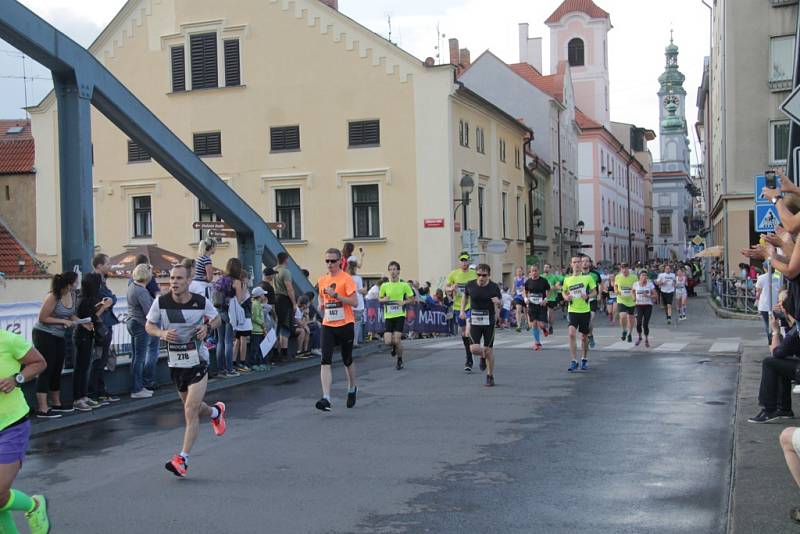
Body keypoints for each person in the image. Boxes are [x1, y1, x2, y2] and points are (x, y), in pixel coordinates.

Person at [145, 264, 226, 478]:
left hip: (198, 361)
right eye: (172, 278)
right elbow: (149, 326)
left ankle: (182, 459)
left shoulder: (200, 302)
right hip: (176, 363)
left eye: (179, 278)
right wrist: (161, 333)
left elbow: (217, 319)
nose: (174, 282)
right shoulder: (161, 302)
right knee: (195, 409)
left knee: (190, 410)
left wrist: (207, 327)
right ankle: (216, 413)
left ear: (189, 281)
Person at [0, 331, 49, 534]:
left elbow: (39, 362)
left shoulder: (7, 340)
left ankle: (34, 506)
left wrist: (16, 378)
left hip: (11, 425)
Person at [315, 248, 359, 412]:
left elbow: (354, 302)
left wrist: (336, 296)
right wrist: (321, 303)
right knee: (325, 360)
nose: (330, 264)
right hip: (328, 324)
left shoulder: (346, 279)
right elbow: (321, 295)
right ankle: (326, 397)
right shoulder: (322, 280)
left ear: (340, 261)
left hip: (346, 323)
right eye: (327, 261)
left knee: (347, 359)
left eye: (333, 261)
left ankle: (352, 387)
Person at [32, 271, 79, 418]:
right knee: (46, 367)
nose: (78, 284)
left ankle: (56, 402)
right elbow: (43, 318)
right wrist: (63, 321)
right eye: (76, 281)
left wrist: (82, 323)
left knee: (58, 367)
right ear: (69, 284)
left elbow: (70, 314)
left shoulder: (72, 295)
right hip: (44, 334)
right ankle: (42, 407)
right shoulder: (53, 296)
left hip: (59, 335)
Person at [73, 273, 113, 411]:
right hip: (82, 335)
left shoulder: (84, 297)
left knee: (84, 367)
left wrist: (100, 305)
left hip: (86, 335)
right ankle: (78, 398)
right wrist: (103, 307)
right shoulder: (84, 299)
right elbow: (90, 317)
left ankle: (83, 396)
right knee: (81, 368)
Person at [461, 264, 502, 387]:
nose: (481, 277)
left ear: (488, 276)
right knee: (473, 349)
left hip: (489, 322)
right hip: (475, 321)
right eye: (479, 275)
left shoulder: (494, 287)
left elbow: (500, 303)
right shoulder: (470, 285)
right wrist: (462, 310)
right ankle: (483, 356)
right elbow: (465, 296)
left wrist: (498, 305)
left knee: (489, 350)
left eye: (484, 275)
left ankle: (490, 376)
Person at [88, 254, 121, 404]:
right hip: (102, 325)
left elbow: (110, 298)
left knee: (102, 359)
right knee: (99, 359)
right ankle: (95, 392)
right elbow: (107, 297)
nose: (110, 266)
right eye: (107, 263)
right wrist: (111, 299)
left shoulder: (102, 281)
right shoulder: (95, 282)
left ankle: (100, 391)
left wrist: (111, 299)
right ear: (99, 266)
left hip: (105, 323)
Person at [127, 264, 157, 398]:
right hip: (140, 324)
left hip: (132, 322)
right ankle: (137, 389)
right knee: (139, 358)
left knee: (135, 357)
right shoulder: (141, 291)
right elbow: (149, 311)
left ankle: (137, 387)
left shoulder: (132, 287)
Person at [378, 261, 415, 370]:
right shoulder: (384, 285)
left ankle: (399, 359)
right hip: (388, 316)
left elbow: (412, 299)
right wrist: (383, 299)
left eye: (395, 269)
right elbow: (380, 299)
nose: (393, 272)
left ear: (398, 271)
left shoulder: (404, 285)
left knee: (397, 339)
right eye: (391, 269)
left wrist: (404, 302)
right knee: (388, 341)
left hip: (400, 315)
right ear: (388, 271)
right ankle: (394, 347)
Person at [563, 256, 597, 372]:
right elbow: (564, 292)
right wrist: (566, 297)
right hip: (572, 310)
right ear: (571, 265)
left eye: (579, 262)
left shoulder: (588, 278)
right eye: (574, 262)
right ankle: (573, 361)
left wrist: (588, 296)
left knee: (584, 337)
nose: (577, 264)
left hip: (584, 311)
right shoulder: (567, 279)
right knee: (571, 334)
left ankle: (584, 359)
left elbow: (594, 292)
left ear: (581, 264)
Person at [445, 252, 478, 372]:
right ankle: (471, 353)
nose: (464, 263)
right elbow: (446, 287)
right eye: (462, 261)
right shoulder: (454, 274)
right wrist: (451, 288)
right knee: (463, 333)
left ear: (469, 262)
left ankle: (469, 357)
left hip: (471, 305)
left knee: (468, 331)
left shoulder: (474, 274)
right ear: (459, 262)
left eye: (466, 261)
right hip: (458, 307)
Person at [212, 259, 239, 377]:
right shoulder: (235, 281)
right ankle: (229, 369)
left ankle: (220, 370)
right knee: (228, 342)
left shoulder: (220, 279)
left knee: (220, 342)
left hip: (218, 312)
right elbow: (239, 299)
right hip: (229, 313)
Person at [273, 252, 297, 364]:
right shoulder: (285, 272)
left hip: (275, 299)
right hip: (284, 301)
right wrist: (294, 303)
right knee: (285, 327)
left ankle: (275, 353)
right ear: (286, 260)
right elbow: (289, 289)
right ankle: (284, 353)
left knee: (277, 327)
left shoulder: (273, 271)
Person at [523, 264, 551, 351]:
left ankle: (544, 329)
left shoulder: (543, 281)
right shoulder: (528, 282)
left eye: (535, 270)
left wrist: (546, 299)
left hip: (541, 305)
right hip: (532, 305)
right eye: (532, 271)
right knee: (534, 324)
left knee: (541, 324)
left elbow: (549, 290)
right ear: (530, 272)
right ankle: (537, 343)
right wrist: (525, 298)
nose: (534, 273)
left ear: (538, 271)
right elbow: (524, 291)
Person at [230, 268, 252, 372]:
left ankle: (234, 362)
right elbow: (242, 299)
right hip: (244, 317)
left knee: (238, 340)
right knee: (243, 339)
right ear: (244, 278)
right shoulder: (242, 286)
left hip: (239, 317)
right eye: (248, 278)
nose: (249, 280)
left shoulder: (237, 285)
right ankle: (242, 362)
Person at [755, 266, 782, 344]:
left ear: (764, 268)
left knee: (767, 324)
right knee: (776, 323)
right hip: (776, 303)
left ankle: (770, 341)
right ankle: (777, 340)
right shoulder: (777, 276)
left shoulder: (761, 277)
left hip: (764, 304)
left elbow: (758, 290)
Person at [582, 256, 603, 349]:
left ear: (590, 263)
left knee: (590, 319)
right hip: (581, 301)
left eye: (587, 261)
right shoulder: (577, 274)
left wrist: (599, 294)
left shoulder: (595, 274)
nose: (585, 263)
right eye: (583, 261)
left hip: (592, 299)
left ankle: (590, 335)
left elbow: (600, 284)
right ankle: (587, 335)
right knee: (584, 322)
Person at [633, 270, 657, 347]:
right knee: (638, 323)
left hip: (648, 305)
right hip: (638, 305)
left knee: (645, 324)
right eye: (643, 275)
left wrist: (648, 296)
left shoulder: (650, 285)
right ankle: (640, 337)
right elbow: (632, 291)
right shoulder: (636, 284)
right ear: (639, 276)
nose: (644, 277)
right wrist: (634, 297)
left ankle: (646, 339)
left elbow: (655, 295)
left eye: (646, 275)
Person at [614, 263, 637, 343]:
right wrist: (616, 291)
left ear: (628, 269)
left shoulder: (634, 277)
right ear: (621, 269)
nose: (624, 270)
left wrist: (635, 294)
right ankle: (624, 330)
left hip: (631, 300)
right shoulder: (618, 276)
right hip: (621, 299)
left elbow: (637, 287)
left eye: (625, 268)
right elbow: (615, 285)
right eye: (622, 269)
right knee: (623, 316)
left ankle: (630, 333)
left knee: (631, 318)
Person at [249, 287, 270, 372]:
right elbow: (254, 317)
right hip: (255, 330)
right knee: (255, 348)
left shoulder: (257, 304)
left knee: (260, 348)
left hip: (259, 330)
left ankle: (260, 363)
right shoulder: (255, 304)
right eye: (263, 294)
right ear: (259, 296)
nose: (264, 296)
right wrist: (262, 324)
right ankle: (253, 364)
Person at [347, 258, 367, 347]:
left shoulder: (346, 277)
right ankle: (355, 341)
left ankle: (348, 341)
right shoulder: (358, 278)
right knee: (357, 323)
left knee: (348, 324)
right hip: (358, 303)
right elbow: (360, 290)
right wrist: (365, 289)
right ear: (355, 268)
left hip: (348, 302)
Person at [542, 263, 561, 335]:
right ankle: (545, 326)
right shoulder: (541, 276)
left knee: (550, 313)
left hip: (552, 298)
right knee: (544, 314)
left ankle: (551, 326)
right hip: (543, 298)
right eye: (544, 267)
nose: (545, 268)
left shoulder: (554, 277)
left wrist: (553, 287)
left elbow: (558, 286)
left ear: (550, 269)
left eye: (547, 267)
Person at [512, 267, 526, 332]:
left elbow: (527, 287)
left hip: (524, 296)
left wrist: (523, 289)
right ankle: (518, 325)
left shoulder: (525, 279)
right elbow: (514, 287)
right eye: (518, 271)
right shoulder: (515, 279)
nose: (519, 273)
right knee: (518, 309)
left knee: (526, 311)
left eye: (520, 271)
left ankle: (527, 321)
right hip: (518, 296)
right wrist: (513, 292)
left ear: (522, 272)